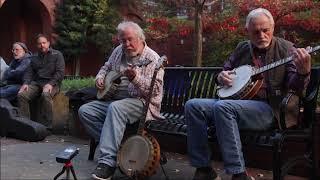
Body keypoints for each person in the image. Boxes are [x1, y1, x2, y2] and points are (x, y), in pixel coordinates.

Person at [185, 8, 311, 180]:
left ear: (272, 28)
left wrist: (303, 73)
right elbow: (226, 70)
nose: (261, 35)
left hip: (270, 110)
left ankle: (238, 173)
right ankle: (204, 169)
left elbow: (294, 89)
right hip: (237, 104)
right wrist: (221, 77)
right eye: (255, 32)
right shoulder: (242, 48)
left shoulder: (287, 49)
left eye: (265, 30)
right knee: (193, 105)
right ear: (248, 32)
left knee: (223, 107)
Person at [78, 21, 164, 180]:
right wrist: (100, 77)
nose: (126, 44)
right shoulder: (118, 51)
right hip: (114, 100)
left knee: (116, 108)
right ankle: (122, 148)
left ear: (140, 38)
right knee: (85, 111)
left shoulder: (152, 58)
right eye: (123, 40)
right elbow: (106, 66)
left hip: (141, 103)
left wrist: (136, 79)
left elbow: (155, 92)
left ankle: (107, 162)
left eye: (130, 39)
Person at [17, 34, 65, 128]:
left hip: (53, 83)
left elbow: (60, 72)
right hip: (37, 83)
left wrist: (50, 84)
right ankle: (26, 124)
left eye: (44, 43)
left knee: (45, 95)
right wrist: (26, 83)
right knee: (21, 94)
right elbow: (29, 72)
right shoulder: (34, 57)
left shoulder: (57, 54)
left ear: (48, 43)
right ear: (37, 45)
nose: (42, 45)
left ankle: (48, 126)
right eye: (39, 43)